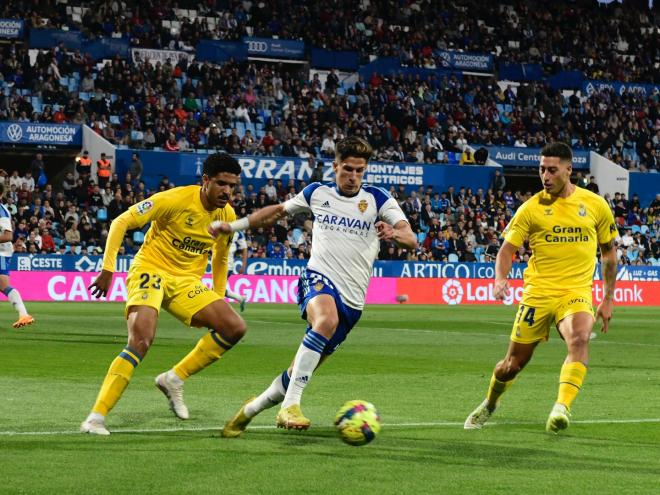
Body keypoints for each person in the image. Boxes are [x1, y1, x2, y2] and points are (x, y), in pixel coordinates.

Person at [215, 136, 417, 436]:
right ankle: (291, 406)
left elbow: (410, 237)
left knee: (299, 371)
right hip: (318, 278)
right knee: (326, 319)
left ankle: (248, 411)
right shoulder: (317, 193)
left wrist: (393, 232)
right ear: (335, 167)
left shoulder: (379, 199)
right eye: (347, 169)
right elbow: (276, 212)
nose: (353, 176)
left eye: (360, 171)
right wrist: (233, 226)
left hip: (353, 301)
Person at [80, 153, 247, 435]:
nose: (227, 191)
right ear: (205, 181)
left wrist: (218, 295)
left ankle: (174, 378)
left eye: (232, 185)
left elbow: (220, 257)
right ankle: (96, 417)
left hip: (185, 281)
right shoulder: (174, 200)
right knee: (141, 340)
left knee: (234, 327)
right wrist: (108, 269)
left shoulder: (227, 215)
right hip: (151, 269)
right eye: (221, 184)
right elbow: (121, 221)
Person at [464, 142, 618, 434]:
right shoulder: (530, 209)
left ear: (569, 170)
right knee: (511, 365)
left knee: (580, 338)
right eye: (541, 169)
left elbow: (609, 254)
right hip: (538, 293)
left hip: (576, 291)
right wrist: (500, 279)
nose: (545, 176)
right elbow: (506, 251)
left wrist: (608, 299)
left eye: (551, 170)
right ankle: (490, 402)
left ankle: (562, 407)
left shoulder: (595, 205)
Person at [0, 182, 34, 328]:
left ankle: (24, 314)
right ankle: (24, 314)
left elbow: (8, 236)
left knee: (3, 284)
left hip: (1, 252)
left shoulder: (1, 212)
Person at [224, 230, 248, 311]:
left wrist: (243, 265)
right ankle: (240, 298)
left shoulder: (238, 232)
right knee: (218, 289)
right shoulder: (219, 227)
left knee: (217, 290)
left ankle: (224, 312)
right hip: (218, 263)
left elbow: (244, 248)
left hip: (227, 265)